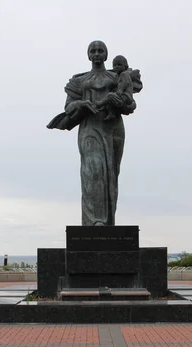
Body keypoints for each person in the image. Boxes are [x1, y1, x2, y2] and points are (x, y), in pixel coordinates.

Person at [47, 40, 142, 226]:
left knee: (111, 175)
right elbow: (68, 107)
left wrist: (116, 100)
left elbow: (130, 104)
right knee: (93, 171)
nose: (97, 54)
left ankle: (108, 223)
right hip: (89, 128)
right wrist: (81, 104)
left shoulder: (118, 78)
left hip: (113, 128)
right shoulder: (79, 81)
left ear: (106, 55)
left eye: (100, 51)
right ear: (88, 55)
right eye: (93, 51)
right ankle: (94, 221)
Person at [95, 55, 134, 121]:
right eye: (114, 65)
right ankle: (111, 113)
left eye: (119, 65)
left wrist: (120, 91)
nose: (116, 67)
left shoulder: (124, 74)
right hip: (121, 96)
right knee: (109, 101)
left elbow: (124, 84)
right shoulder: (117, 76)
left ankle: (99, 104)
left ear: (125, 66)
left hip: (126, 96)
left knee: (110, 96)